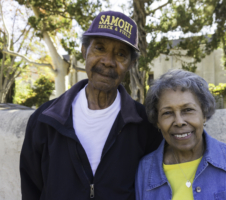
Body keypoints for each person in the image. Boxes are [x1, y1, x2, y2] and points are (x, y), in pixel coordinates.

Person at [20, 11, 162, 200]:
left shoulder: (145, 124)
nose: (108, 61)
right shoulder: (45, 119)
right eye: (100, 48)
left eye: (120, 54)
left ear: (130, 64)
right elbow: (31, 189)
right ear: (84, 51)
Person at [135, 69, 226, 200]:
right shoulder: (145, 171)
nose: (179, 121)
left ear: (204, 114)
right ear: (158, 122)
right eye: (167, 113)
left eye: (188, 110)